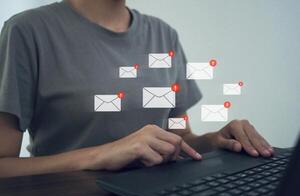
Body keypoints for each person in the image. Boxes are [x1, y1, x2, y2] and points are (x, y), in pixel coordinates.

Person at [0, 0, 273, 178]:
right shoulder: (26, 31)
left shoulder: (164, 34)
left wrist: (214, 141)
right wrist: (102, 154)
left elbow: (179, 137)